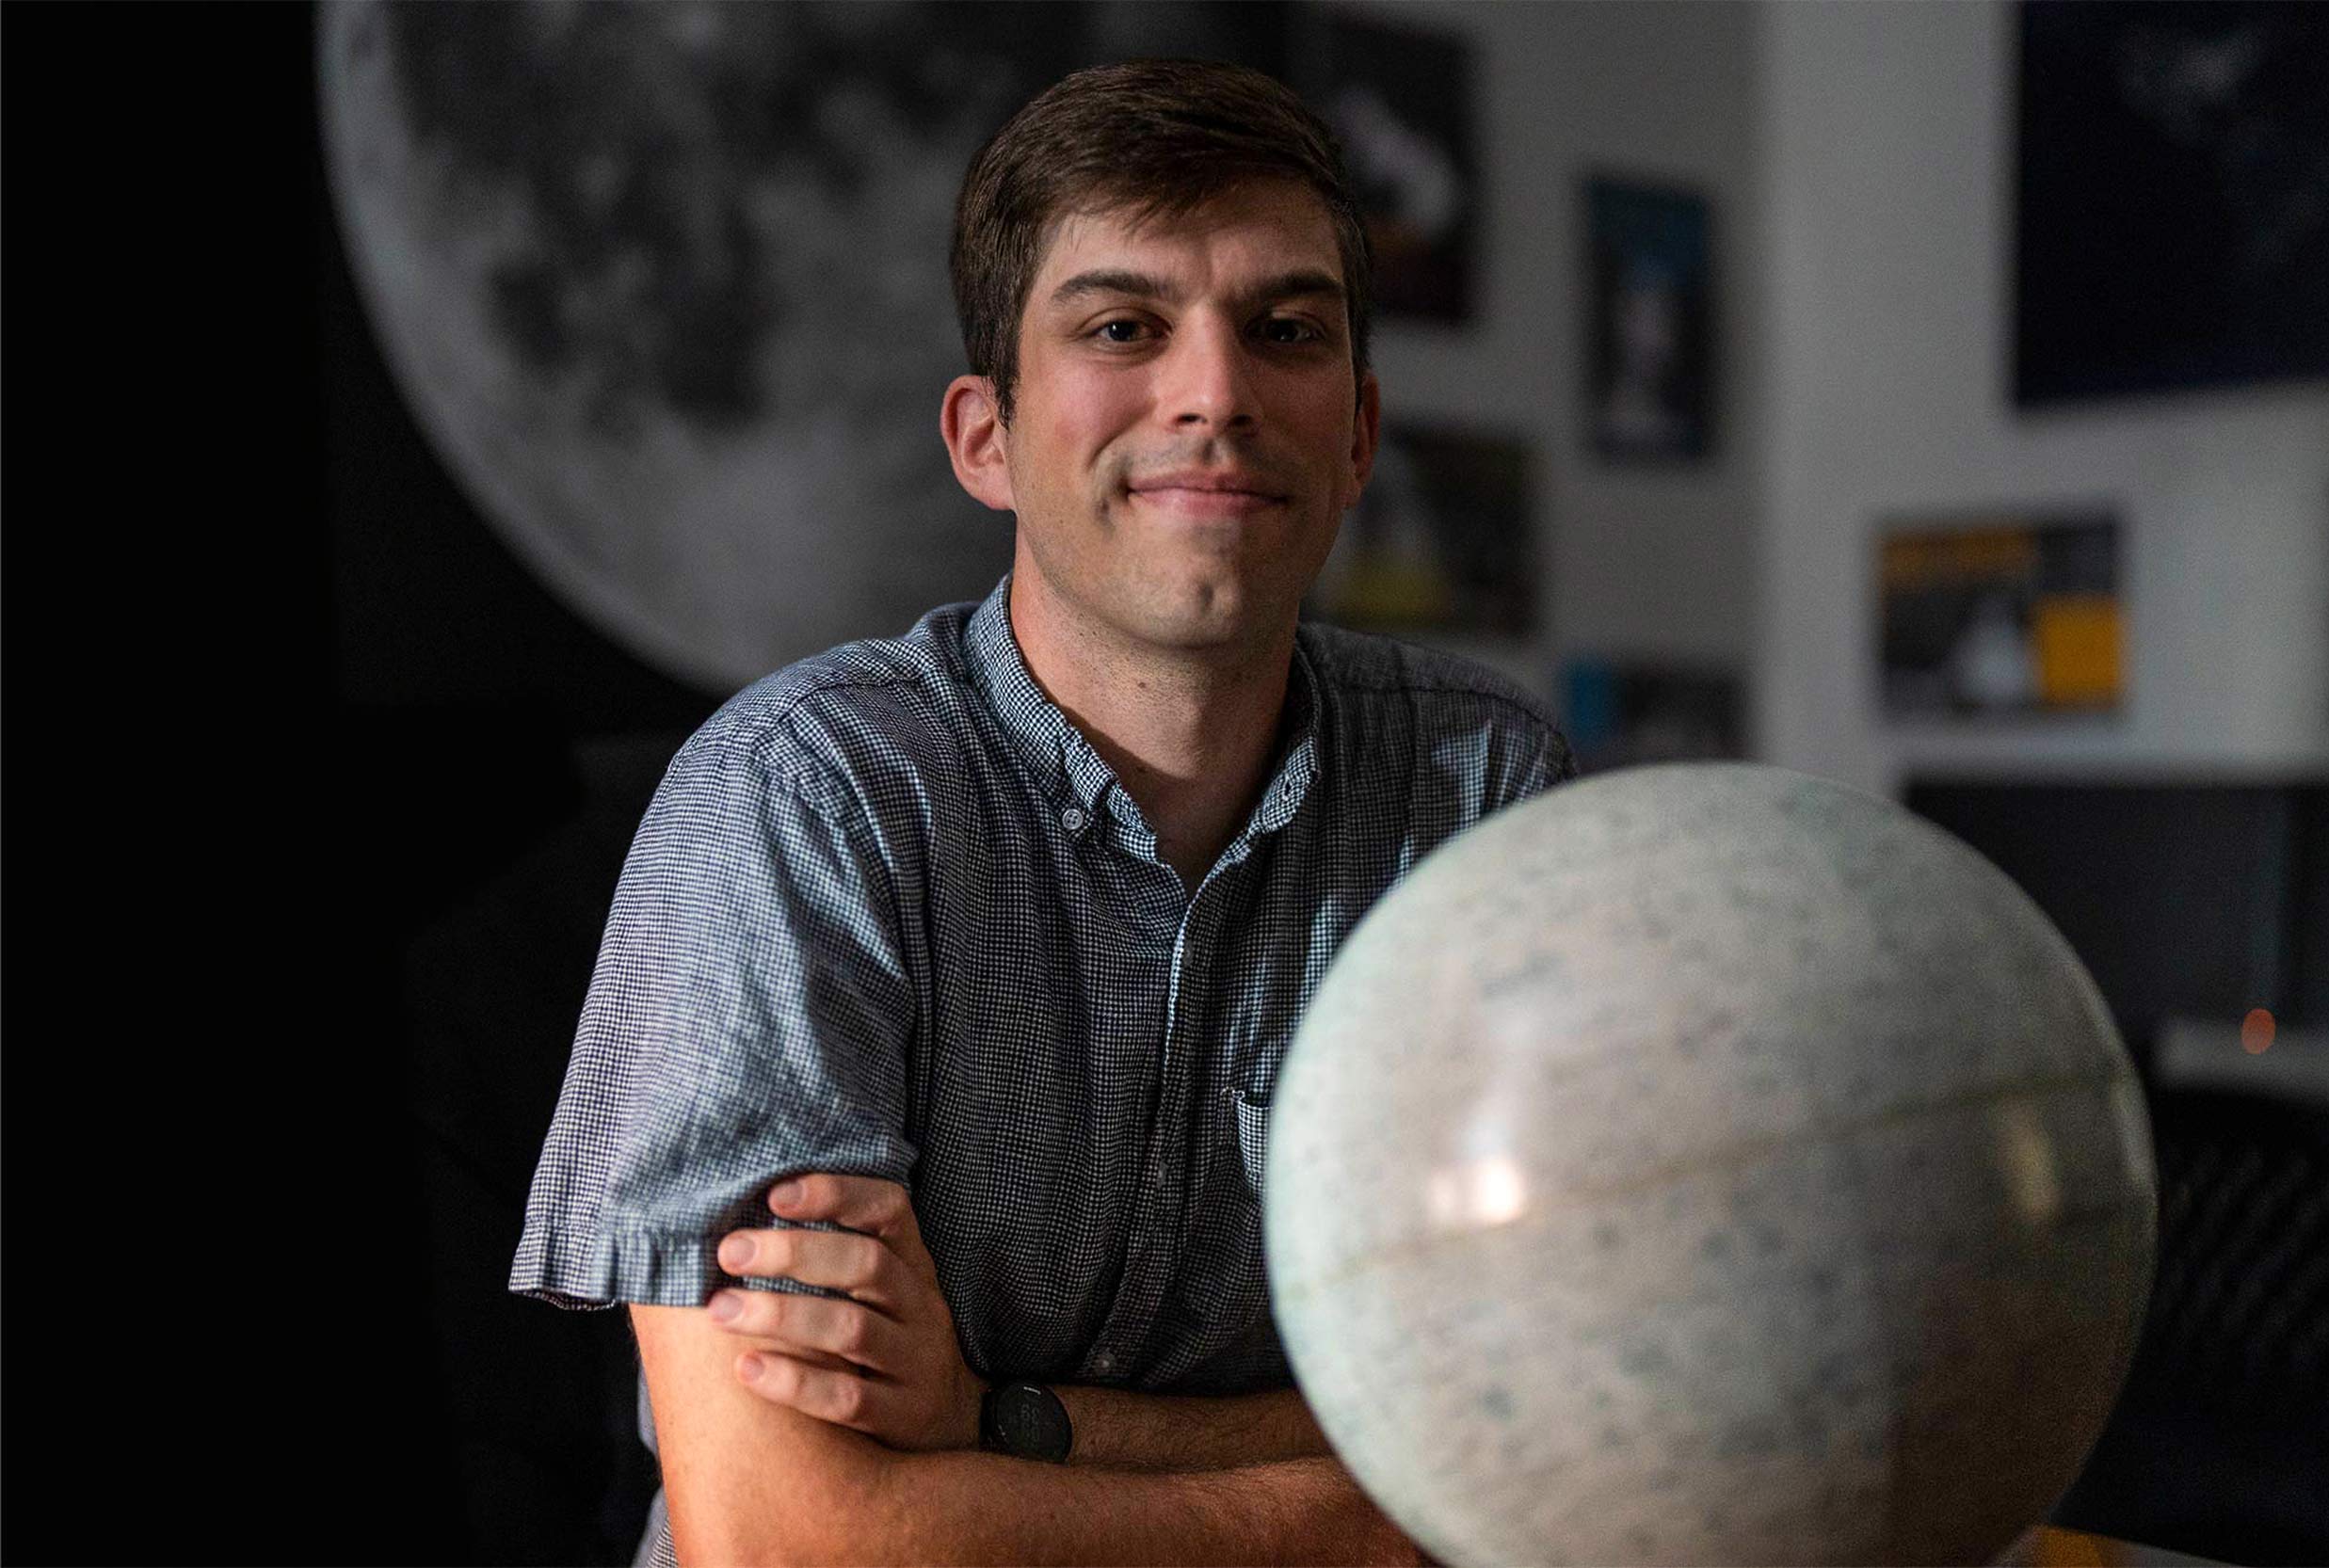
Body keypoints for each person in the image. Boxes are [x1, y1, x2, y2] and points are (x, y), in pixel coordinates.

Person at [511, 57, 1569, 1565]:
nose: (1216, 394)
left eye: (1285, 330)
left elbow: (1551, 1425)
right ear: (983, 440)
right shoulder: (801, 802)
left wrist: (1004, 1420)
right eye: (1123, 328)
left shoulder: (1485, 794)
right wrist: (1369, 1508)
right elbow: (787, 1535)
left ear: (1357, 434)